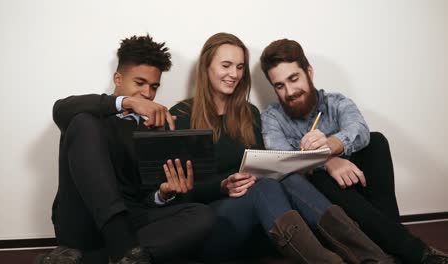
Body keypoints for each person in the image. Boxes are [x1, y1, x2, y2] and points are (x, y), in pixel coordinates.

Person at [167, 32, 394, 264]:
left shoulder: (249, 114)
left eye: (240, 67)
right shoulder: (180, 116)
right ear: (206, 67)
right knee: (269, 184)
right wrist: (222, 185)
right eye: (226, 65)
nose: (234, 74)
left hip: (265, 214)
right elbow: (179, 191)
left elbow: (266, 167)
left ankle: (371, 257)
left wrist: (316, 156)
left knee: (285, 179)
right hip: (215, 220)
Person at [259, 38, 448, 264]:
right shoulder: (271, 117)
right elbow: (284, 161)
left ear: (309, 72)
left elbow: (360, 129)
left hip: (360, 191)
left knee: (376, 142)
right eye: (279, 85)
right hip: (324, 208)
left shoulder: (336, 102)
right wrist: (327, 162)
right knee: (316, 176)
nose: (289, 91)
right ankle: (410, 249)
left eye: (293, 78)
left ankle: (393, 241)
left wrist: (328, 147)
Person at [35, 35, 215, 264]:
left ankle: (95, 260)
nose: (148, 94)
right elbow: (60, 108)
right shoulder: (91, 114)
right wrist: (127, 102)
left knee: (202, 215)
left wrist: (163, 194)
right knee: (84, 122)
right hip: (84, 222)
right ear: (118, 78)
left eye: (154, 87)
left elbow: (144, 200)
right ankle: (123, 250)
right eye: (139, 83)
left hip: (132, 221)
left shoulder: (156, 128)